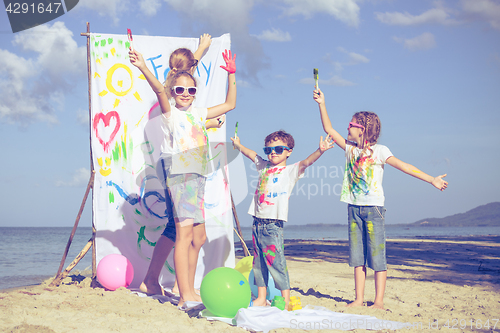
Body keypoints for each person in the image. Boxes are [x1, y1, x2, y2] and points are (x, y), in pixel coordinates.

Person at [313, 87, 448, 310]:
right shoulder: (349, 149)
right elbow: (328, 128)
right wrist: (321, 103)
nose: (347, 127)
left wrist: (431, 179)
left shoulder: (381, 151)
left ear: (363, 130)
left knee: (377, 256)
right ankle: (358, 299)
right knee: (357, 257)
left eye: (352, 124)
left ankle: (378, 301)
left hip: (373, 209)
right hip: (353, 208)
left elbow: (405, 167)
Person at [129, 41, 237, 307]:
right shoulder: (170, 115)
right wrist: (143, 66)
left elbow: (230, 104)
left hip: (197, 176)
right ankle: (185, 295)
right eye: (180, 89)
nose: (185, 93)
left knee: (195, 236)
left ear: (195, 92)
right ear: (173, 92)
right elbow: (159, 88)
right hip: (180, 175)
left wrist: (232, 73)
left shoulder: (199, 114)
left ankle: (185, 290)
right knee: (183, 236)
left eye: (190, 89)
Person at [231, 130, 334, 310]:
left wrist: (321, 151)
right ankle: (262, 297)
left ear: (289, 151)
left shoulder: (290, 171)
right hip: (257, 222)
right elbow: (251, 154)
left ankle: (285, 299)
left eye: (278, 149)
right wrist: (239, 146)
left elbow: (306, 162)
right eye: (268, 149)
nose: (273, 153)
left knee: (276, 262)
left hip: (273, 225)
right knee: (258, 264)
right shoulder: (263, 166)